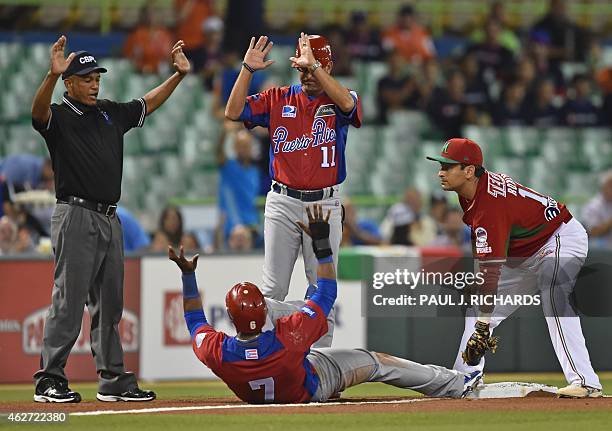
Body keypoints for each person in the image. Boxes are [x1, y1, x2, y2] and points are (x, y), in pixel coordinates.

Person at [169, 203, 482, 404]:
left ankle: (454, 384)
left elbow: (195, 320)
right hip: (314, 383)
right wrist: (321, 245)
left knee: (314, 316)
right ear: (264, 312)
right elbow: (326, 291)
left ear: (231, 318)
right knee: (376, 362)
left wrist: (187, 276)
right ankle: (455, 385)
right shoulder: (289, 336)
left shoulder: (219, 352)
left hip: (279, 382)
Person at [31, 35, 190, 402]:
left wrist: (178, 76)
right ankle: (49, 378)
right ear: (69, 83)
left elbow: (146, 104)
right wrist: (49, 76)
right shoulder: (59, 115)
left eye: (97, 77)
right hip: (75, 213)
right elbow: (38, 114)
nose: (94, 83)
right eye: (86, 78)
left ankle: (113, 379)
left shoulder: (108, 112)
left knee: (109, 304)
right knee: (69, 301)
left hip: (109, 218)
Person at [426, 138, 602, 398]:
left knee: (553, 295)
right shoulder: (471, 192)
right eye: (441, 165)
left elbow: (491, 270)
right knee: (477, 310)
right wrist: (483, 321)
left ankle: (585, 381)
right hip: (525, 252)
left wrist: (484, 327)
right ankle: (465, 378)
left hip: (559, 237)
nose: (441, 171)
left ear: (469, 171)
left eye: (448, 166)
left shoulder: (488, 204)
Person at [224, 33, 362, 348]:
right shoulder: (278, 98)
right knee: (272, 290)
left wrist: (316, 67)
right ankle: (265, 358)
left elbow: (349, 106)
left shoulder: (340, 97)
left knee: (321, 289)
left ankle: (320, 364)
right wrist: (247, 69)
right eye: (302, 70)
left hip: (325, 204)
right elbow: (233, 112)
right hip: (282, 201)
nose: (307, 76)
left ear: (326, 67)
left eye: (313, 69)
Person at [217, 125, 259, 243]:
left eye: (246, 146)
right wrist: (224, 133)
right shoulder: (228, 166)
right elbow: (218, 153)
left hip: (251, 223)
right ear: (235, 147)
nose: (243, 149)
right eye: (240, 146)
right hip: (232, 225)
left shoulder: (255, 171)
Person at [581, 170, 612, 249]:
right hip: (600, 250)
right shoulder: (594, 206)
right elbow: (594, 231)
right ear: (603, 187)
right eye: (610, 185)